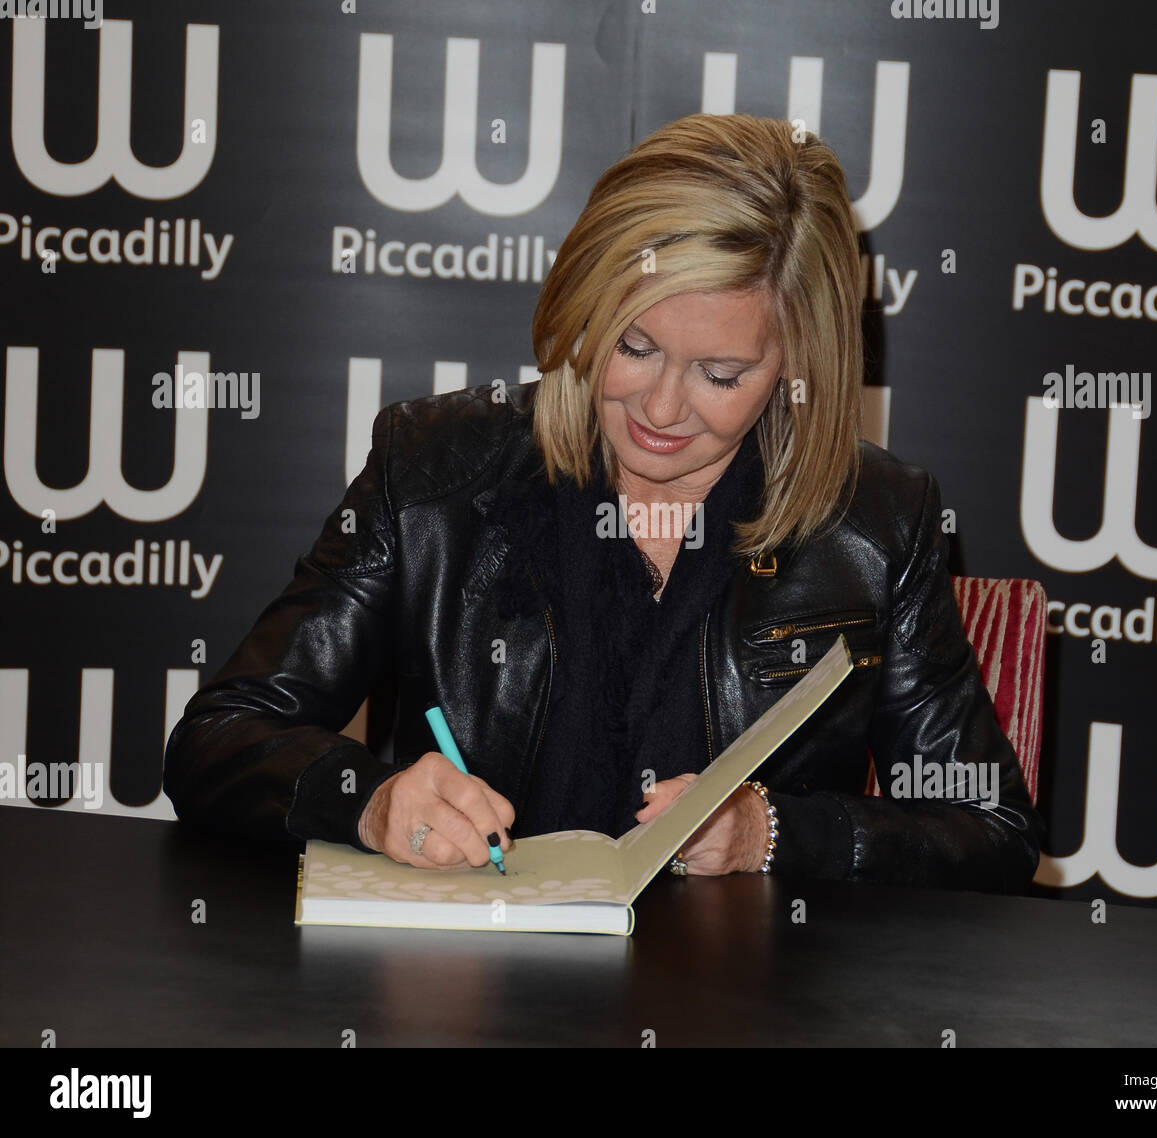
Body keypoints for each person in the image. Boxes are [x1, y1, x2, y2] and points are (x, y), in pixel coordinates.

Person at [163, 113, 1045, 890]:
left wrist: (771, 834)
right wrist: (370, 800)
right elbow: (218, 738)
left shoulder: (878, 522)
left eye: (721, 375)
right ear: (584, 302)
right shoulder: (433, 470)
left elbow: (992, 829)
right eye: (633, 345)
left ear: (796, 369)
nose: (661, 410)